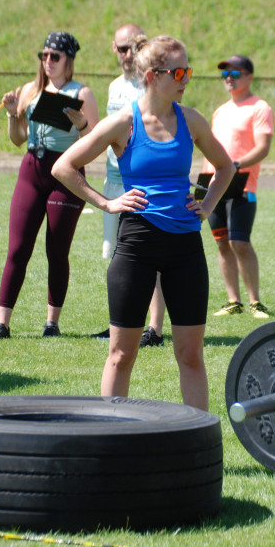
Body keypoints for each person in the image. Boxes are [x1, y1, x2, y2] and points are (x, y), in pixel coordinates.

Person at [52, 35, 235, 411]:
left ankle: (195, 439)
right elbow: (63, 167)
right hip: (136, 245)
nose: (186, 79)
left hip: (185, 248)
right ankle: (112, 434)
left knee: (190, 354)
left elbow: (226, 166)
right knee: (121, 353)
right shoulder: (124, 123)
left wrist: (205, 205)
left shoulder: (191, 120)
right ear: (153, 75)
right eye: (179, 71)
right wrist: (106, 203)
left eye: (189, 70)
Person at [0, 32, 98, 340]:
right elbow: (19, 138)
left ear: (68, 60)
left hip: (66, 171)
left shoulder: (82, 92)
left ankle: (52, 323)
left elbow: (95, 142)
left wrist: (81, 123)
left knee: (57, 250)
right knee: (18, 248)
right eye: (44, 55)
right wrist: (11, 114)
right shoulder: (30, 90)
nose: (48, 61)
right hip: (32, 169)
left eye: (55, 56)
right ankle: (2, 323)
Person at [89, 23, 167, 348]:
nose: (128, 55)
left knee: (151, 255)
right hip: (114, 178)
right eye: (122, 49)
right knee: (119, 253)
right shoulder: (113, 87)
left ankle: (155, 328)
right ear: (114, 49)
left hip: (143, 180)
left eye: (134, 48)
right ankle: (122, 323)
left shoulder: (152, 84)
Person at [203, 54, 274, 319]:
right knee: (222, 243)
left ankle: (255, 302)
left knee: (239, 242)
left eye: (234, 74)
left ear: (249, 76)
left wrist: (235, 164)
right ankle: (234, 301)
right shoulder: (220, 111)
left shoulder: (260, 108)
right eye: (225, 74)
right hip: (214, 184)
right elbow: (210, 150)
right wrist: (204, 181)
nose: (229, 79)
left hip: (242, 186)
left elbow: (262, 148)